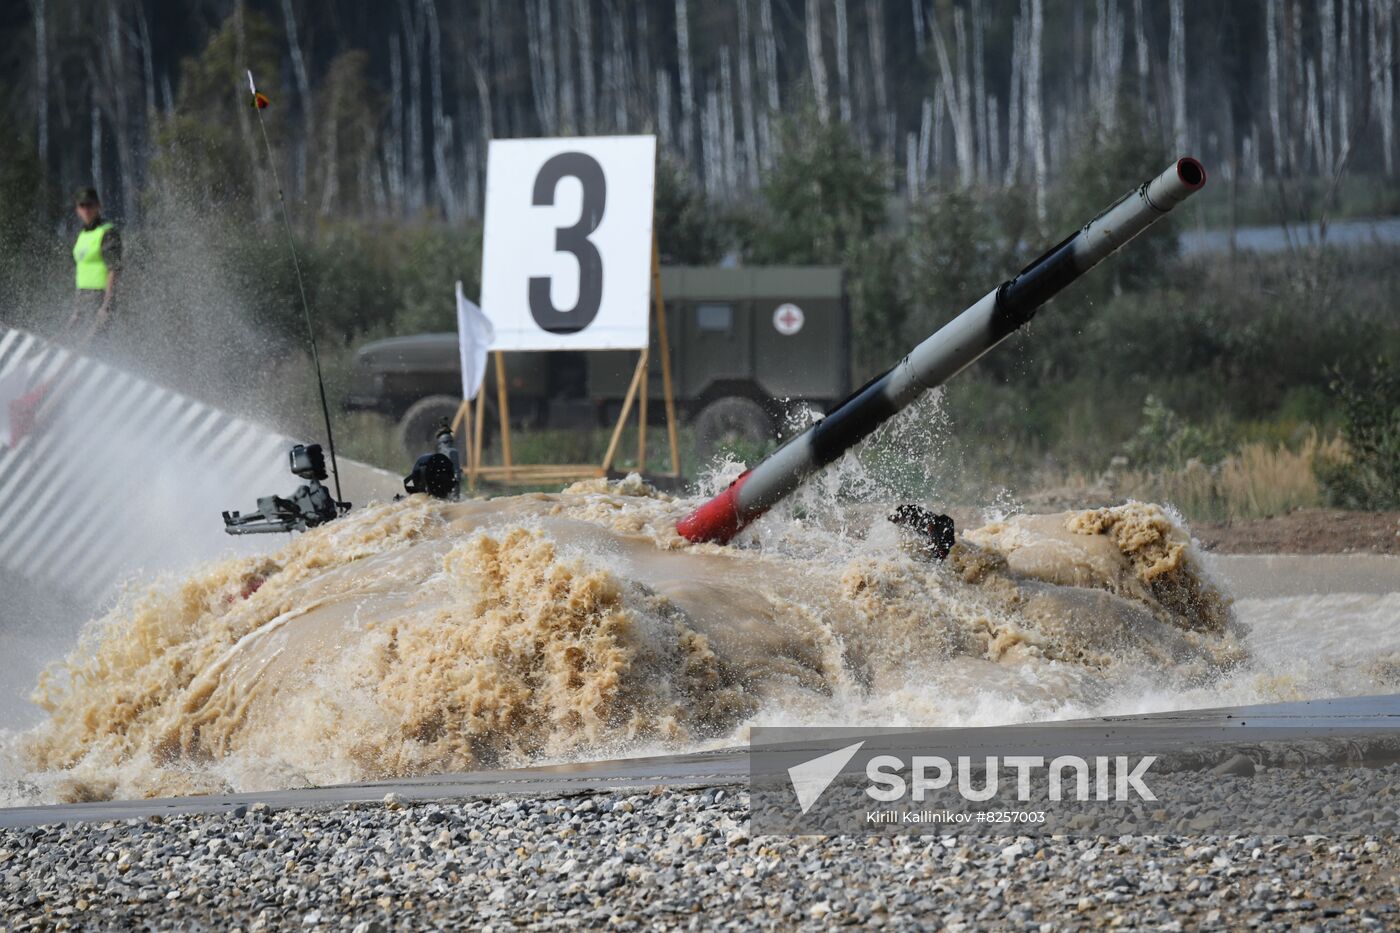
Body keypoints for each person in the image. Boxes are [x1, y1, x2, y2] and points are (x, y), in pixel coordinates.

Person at [67, 186, 122, 344]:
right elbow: (82, 270)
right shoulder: (81, 235)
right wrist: (77, 309)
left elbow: (114, 268)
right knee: (74, 343)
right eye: (82, 206)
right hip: (82, 297)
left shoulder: (107, 232)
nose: (86, 210)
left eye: (90, 205)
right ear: (77, 210)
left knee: (92, 345)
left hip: (99, 297)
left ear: (98, 206)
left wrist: (107, 303)